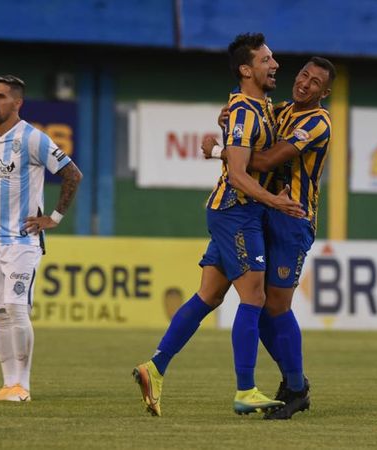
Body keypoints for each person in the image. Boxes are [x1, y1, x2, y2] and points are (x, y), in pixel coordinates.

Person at [133, 33, 304, 417]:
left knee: (209, 296)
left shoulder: (256, 107)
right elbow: (241, 175)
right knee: (255, 298)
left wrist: (216, 142)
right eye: (266, 59)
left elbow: (233, 149)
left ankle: (155, 367)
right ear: (247, 69)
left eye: (273, 58)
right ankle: (246, 389)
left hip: (238, 212)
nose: (274, 64)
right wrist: (275, 199)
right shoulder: (245, 111)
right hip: (236, 212)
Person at [202, 56, 336, 419]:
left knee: (276, 307)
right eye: (304, 75)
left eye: (314, 82)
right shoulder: (280, 110)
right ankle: (294, 382)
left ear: (324, 92)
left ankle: (295, 387)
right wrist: (228, 123)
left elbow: (263, 161)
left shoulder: (318, 122)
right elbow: (233, 114)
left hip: (293, 219)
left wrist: (219, 150)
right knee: (258, 305)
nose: (304, 83)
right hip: (262, 211)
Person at [0, 75, 82, 401]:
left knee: (17, 308)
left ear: (17, 103)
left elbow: (72, 173)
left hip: (22, 240)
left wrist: (54, 218)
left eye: (1, 96)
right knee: (0, 313)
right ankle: (8, 385)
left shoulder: (33, 139)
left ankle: (24, 386)